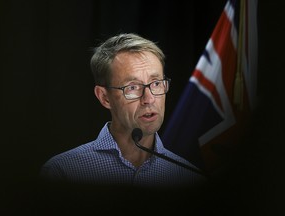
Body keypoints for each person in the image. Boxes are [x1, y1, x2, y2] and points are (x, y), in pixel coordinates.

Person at [40, 33, 207, 188]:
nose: (148, 99)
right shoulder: (63, 172)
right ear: (105, 97)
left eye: (156, 83)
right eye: (133, 87)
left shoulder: (189, 178)